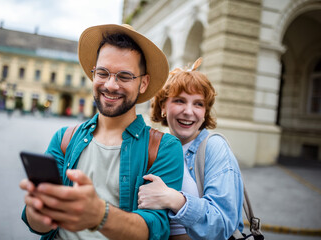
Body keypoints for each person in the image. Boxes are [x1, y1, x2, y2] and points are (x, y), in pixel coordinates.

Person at [19, 24, 184, 240]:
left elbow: (155, 230)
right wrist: (38, 209)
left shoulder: (164, 148)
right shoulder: (64, 138)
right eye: (103, 73)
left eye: (124, 76)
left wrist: (99, 214)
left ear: (143, 83)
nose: (111, 85)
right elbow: (39, 227)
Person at [137, 58, 244, 240]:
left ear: (205, 112)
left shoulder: (213, 147)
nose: (189, 111)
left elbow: (224, 224)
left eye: (198, 104)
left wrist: (174, 199)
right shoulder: (154, 144)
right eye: (180, 101)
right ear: (163, 106)